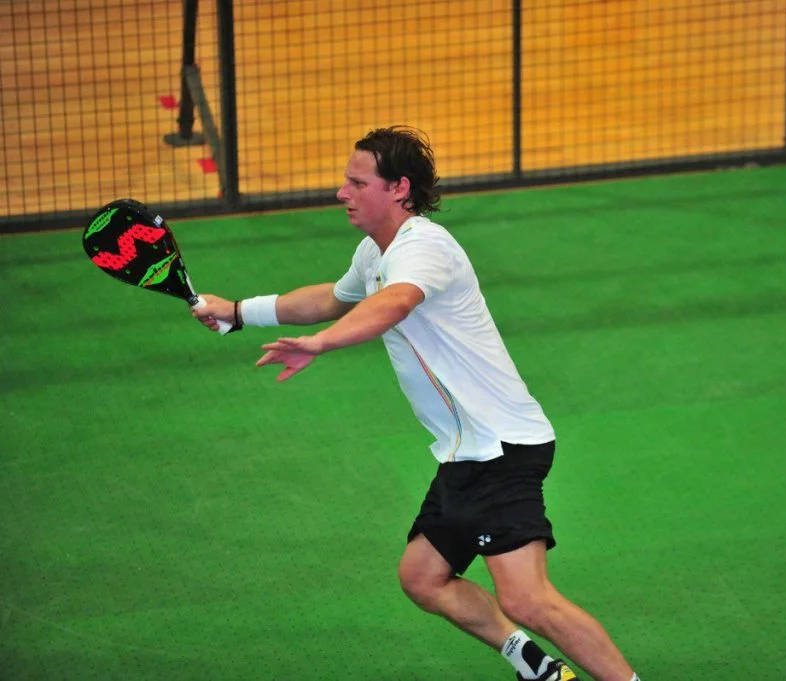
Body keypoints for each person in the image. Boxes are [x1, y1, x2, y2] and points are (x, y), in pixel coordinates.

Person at [193, 126, 642, 681]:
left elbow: (397, 303)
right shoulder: (375, 251)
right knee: (423, 576)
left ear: (399, 188)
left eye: (357, 183)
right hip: (466, 452)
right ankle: (537, 667)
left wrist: (323, 344)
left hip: (499, 446)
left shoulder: (424, 248)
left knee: (528, 599)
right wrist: (240, 311)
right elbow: (334, 298)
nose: (342, 193)